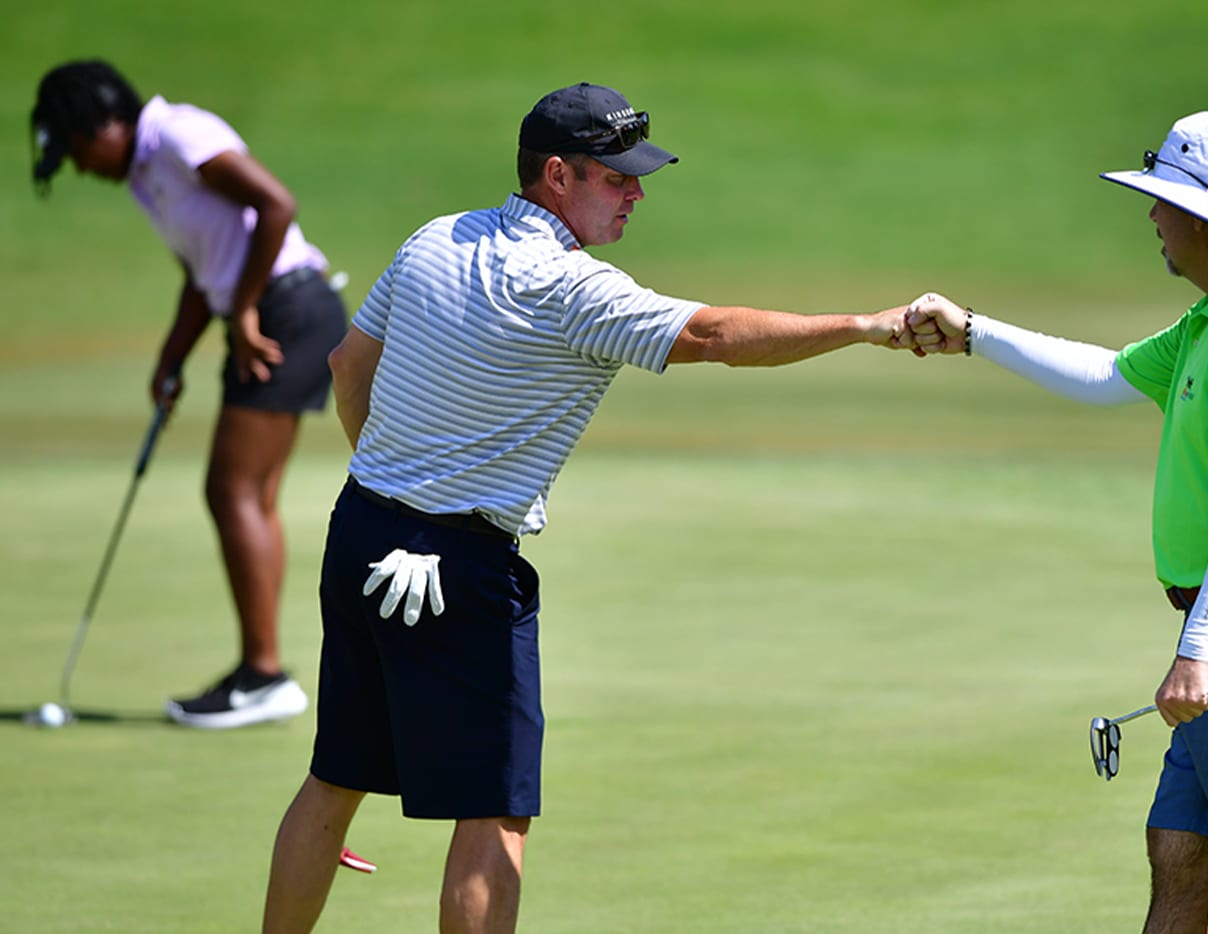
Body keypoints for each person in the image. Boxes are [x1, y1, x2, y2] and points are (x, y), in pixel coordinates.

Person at [259, 82, 915, 933]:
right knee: (494, 811)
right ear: (558, 175)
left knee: (335, 777)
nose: (637, 193)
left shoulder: (434, 239)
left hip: (361, 533)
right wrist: (867, 325)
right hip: (461, 571)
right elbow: (715, 336)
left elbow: (350, 366)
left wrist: (400, 491)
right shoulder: (570, 290)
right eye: (616, 178)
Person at [905, 111, 1208, 933]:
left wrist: (1196, 652)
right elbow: (1107, 375)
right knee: (1179, 843)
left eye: (1161, 201)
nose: (1151, 216)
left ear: (1202, 215)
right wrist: (973, 333)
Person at [30, 60, 347, 729]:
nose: (81, 167)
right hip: (276, 310)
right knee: (248, 494)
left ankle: (263, 676)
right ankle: (262, 672)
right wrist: (171, 359)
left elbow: (276, 204)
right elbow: (206, 276)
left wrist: (248, 310)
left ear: (103, 125)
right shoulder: (147, 177)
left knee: (232, 490)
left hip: (288, 309)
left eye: (77, 150)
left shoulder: (176, 134)